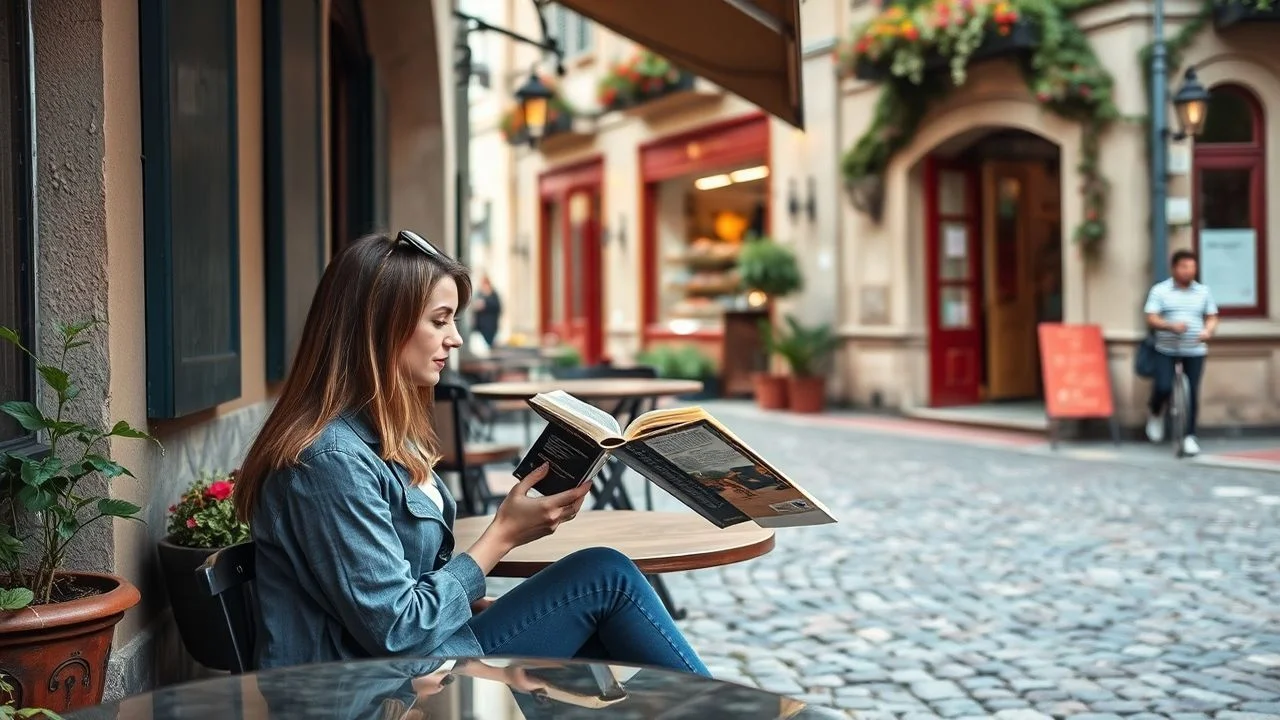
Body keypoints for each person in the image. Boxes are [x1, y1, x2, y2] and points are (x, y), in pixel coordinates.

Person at [233, 231, 708, 676]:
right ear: (378, 328)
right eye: (440, 320)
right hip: (380, 690)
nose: (455, 338)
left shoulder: (377, 437)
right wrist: (503, 533)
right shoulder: (328, 461)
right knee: (605, 579)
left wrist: (472, 604)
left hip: (421, 661)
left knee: (601, 610)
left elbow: (392, 593)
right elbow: (398, 633)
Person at [1142, 249, 1219, 456]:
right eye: (1184, 267)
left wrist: (1207, 330)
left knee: (1192, 391)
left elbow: (1212, 316)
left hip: (1195, 349)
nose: (1188, 271)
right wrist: (1169, 325)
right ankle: (1156, 412)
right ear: (1174, 268)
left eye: (1192, 267)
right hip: (1166, 349)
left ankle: (1189, 436)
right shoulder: (1160, 291)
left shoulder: (1203, 292)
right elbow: (1151, 317)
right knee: (1164, 386)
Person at [472, 274, 502, 349]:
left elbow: (498, 308)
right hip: (481, 327)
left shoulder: (494, 295)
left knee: (490, 346)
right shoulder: (479, 294)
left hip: (491, 327)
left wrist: (485, 304)